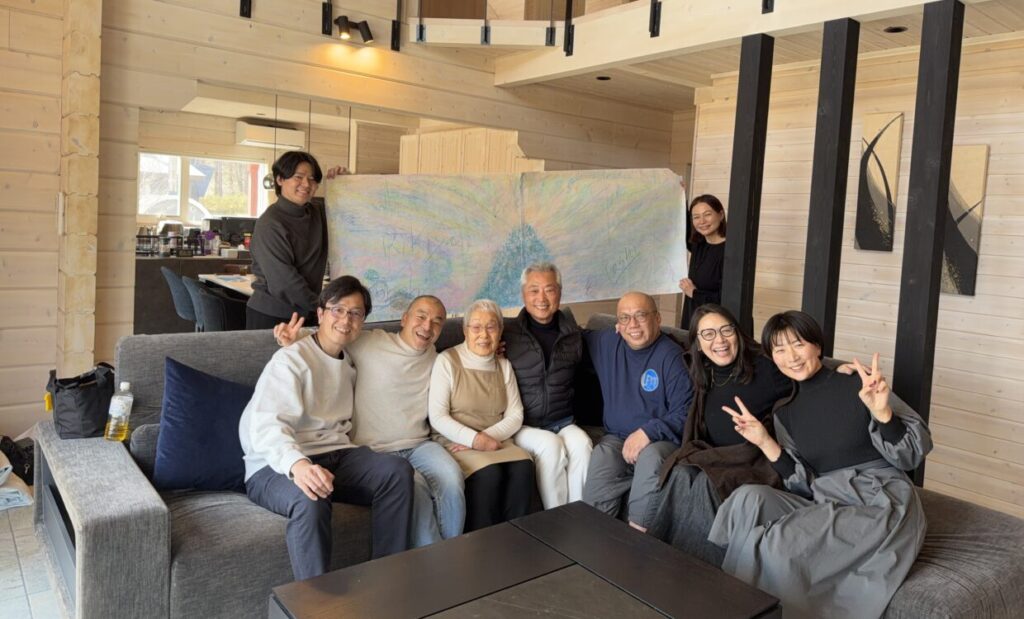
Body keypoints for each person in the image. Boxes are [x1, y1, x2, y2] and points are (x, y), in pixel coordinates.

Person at [709, 310, 933, 619]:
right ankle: (732, 606)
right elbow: (803, 486)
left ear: (817, 345)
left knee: (780, 541)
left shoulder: (858, 383)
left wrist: (884, 414)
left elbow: (911, 455)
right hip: (827, 498)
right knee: (747, 500)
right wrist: (764, 441)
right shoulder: (785, 412)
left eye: (798, 344)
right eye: (779, 349)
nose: (791, 357)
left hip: (880, 501)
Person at [239, 276, 413, 581]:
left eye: (355, 313)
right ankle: (314, 600)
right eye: (337, 310)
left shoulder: (350, 360)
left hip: (335, 454)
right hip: (273, 465)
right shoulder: (290, 360)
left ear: (362, 321)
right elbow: (267, 425)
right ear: (320, 313)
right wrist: (299, 466)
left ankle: (387, 582)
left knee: (397, 472)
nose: (346, 320)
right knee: (311, 496)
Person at [273, 295, 466, 548]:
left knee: (452, 477)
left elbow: (466, 363)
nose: (427, 326)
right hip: (376, 451)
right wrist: (294, 338)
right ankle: (436, 563)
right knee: (415, 489)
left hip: (420, 444)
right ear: (404, 319)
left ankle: (452, 554)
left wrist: (491, 350)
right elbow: (331, 337)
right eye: (421, 317)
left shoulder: (438, 359)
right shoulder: (370, 342)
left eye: (437, 322)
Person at [645, 304, 791, 564]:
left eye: (726, 330)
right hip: (715, 456)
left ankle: (702, 570)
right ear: (698, 344)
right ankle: (660, 559)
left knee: (707, 480)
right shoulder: (704, 371)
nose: (720, 340)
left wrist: (839, 372)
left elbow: (802, 372)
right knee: (681, 472)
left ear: (738, 333)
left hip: (755, 462)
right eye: (709, 334)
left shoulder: (766, 368)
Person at [581, 292, 692, 531]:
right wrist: (500, 344)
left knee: (650, 458)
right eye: (625, 318)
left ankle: (637, 540)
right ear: (618, 324)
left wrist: (647, 432)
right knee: (602, 455)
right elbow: (564, 336)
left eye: (640, 316)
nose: (633, 324)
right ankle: (594, 539)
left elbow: (685, 413)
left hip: (660, 440)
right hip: (616, 438)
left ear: (657, 318)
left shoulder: (672, 357)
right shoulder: (606, 342)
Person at [428, 299, 535, 532]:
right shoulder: (447, 361)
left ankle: (518, 541)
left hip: (496, 440)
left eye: (491, 327)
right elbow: (437, 416)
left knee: (523, 468)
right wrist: (474, 440)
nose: (484, 335)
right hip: (456, 441)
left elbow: (515, 414)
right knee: (490, 475)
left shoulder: (503, 365)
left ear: (500, 331)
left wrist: (487, 437)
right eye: (476, 327)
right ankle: (482, 544)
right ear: (465, 330)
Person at [504, 262, 592, 509]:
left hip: (563, 420)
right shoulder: (507, 334)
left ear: (559, 293)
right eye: (534, 290)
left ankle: (580, 515)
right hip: (523, 424)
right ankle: (555, 518)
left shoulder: (573, 334)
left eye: (549, 290)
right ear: (523, 294)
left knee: (582, 444)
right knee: (551, 447)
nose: (541, 298)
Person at [247, 151, 329, 330]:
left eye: (312, 178)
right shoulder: (270, 223)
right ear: (280, 179)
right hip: (274, 317)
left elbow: (347, 209)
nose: (306, 184)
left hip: (308, 312)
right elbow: (284, 283)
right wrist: (323, 308)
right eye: (298, 177)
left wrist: (343, 182)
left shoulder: (318, 212)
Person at [678, 194, 726, 329]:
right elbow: (683, 225)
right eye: (696, 217)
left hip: (714, 326)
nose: (702, 221)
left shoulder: (730, 253)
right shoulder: (698, 245)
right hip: (692, 319)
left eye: (707, 214)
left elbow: (726, 299)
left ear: (721, 215)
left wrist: (694, 293)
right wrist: (679, 193)